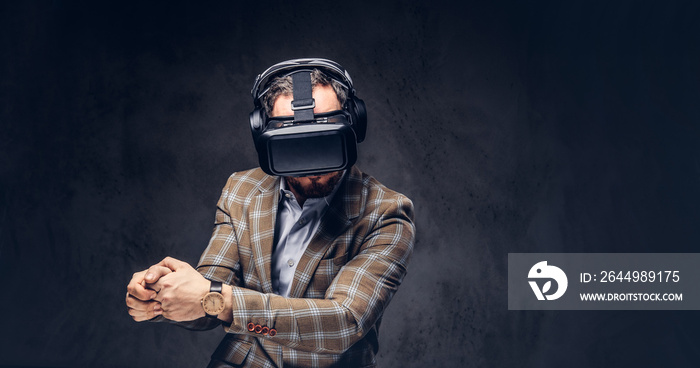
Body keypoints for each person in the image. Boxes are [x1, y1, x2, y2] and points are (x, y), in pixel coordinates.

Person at [125, 58, 416, 367]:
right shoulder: (242, 189)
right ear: (264, 136)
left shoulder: (388, 213)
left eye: (325, 140)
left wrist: (220, 300)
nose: (313, 167)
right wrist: (159, 296)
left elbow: (343, 321)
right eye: (295, 145)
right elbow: (209, 292)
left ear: (352, 127)